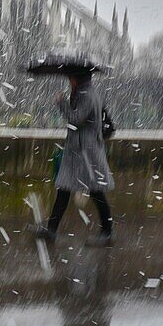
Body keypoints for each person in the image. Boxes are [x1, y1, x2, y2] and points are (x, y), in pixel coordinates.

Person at [33, 72, 115, 246]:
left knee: (95, 191)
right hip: (81, 151)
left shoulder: (86, 95)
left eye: (70, 77)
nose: (69, 81)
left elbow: (75, 119)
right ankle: (52, 229)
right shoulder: (88, 93)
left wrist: (61, 103)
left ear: (77, 78)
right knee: (65, 189)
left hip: (86, 152)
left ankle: (107, 233)